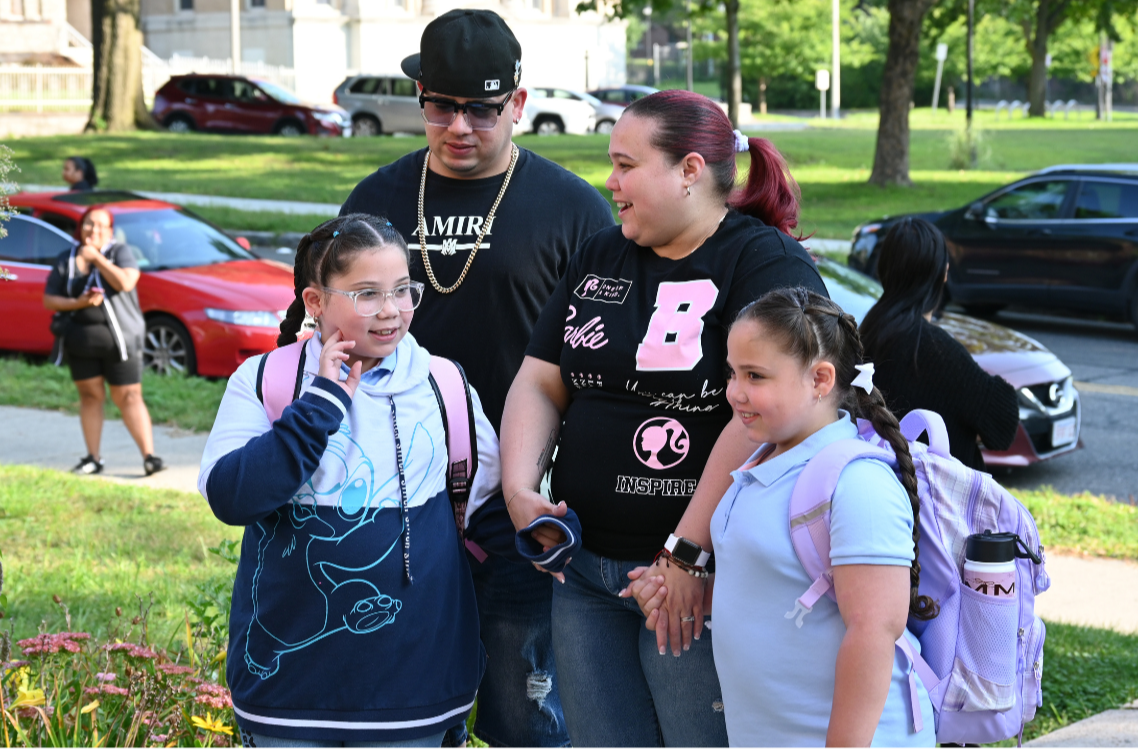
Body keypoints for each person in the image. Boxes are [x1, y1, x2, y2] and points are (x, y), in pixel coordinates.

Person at [499, 89, 827, 746]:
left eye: (626, 165)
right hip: (585, 570)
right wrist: (519, 487)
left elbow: (763, 414)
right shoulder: (599, 255)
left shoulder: (762, 263)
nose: (610, 183)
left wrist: (687, 553)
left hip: (696, 583)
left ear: (690, 170)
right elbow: (541, 378)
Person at [339, 10, 613, 746]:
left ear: (517, 104)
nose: (460, 126)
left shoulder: (574, 208)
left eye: (482, 109)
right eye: (441, 106)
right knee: (394, 699)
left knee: (521, 710)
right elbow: (322, 331)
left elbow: (605, 358)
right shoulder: (376, 201)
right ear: (421, 98)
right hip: (393, 495)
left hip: (520, 494)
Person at [198, 214, 500, 747]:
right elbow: (232, 497)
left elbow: (482, 511)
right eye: (366, 294)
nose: (390, 310)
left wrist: (536, 528)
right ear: (314, 303)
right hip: (287, 693)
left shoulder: (444, 383)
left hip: (416, 691)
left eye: (404, 290)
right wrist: (320, 405)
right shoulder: (266, 380)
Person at [659, 287, 937, 746]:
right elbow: (773, 583)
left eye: (755, 376)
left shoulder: (858, 485)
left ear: (820, 380)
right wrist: (695, 595)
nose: (734, 393)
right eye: (732, 373)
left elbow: (873, 633)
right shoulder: (763, 460)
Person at [859, 217, 1018, 470]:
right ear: (942, 273)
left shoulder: (864, 334)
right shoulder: (937, 350)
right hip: (936, 502)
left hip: (881, 489)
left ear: (883, 269)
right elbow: (1003, 423)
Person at [43, 206, 163, 476]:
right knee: (90, 397)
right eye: (88, 224)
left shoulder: (120, 252)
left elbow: (126, 282)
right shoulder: (67, 258)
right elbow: (49, 299)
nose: (93, 230)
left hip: (121, 343)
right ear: (80, 226)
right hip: (81, 342)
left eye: (100, 226)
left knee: (129, 396)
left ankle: (149, 457)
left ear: (110, 231)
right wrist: (78, 302)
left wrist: (97, 259)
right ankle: (93, 458)